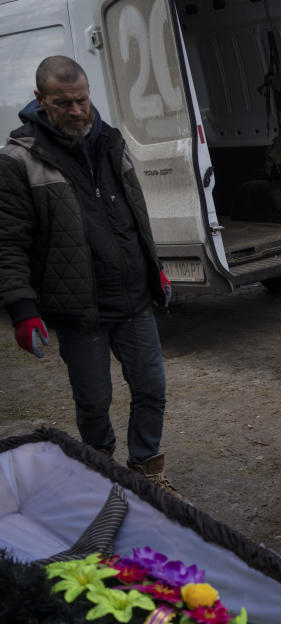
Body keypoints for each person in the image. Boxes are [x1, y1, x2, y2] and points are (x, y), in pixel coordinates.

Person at [0, 56, 182, 499]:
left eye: (82, 100)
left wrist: (155, 268)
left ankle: (145, 469)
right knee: (94, 402)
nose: (77, 111)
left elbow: (134, 214)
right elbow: (8, 241)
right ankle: (102, 477)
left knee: (152, 388)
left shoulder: (111, 141)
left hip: (134, 296)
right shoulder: (18, 160)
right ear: (41, 100)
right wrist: (22, 310)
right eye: (64, 104)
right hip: (78, 307)